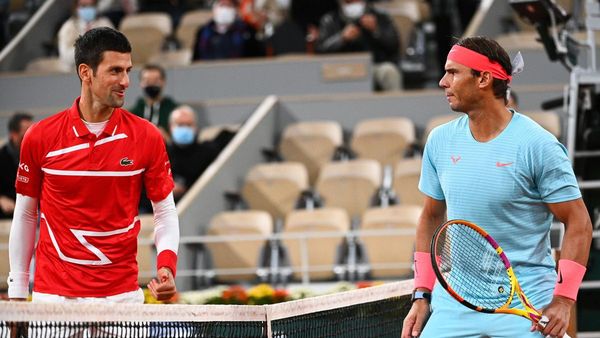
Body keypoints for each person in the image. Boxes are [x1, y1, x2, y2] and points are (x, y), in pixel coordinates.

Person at [401, 36, 592, 338]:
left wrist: (564, 299)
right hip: (457, 298)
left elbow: (578, 221)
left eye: (453, 72)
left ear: (484, 79)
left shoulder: (539, 145)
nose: (442, 81)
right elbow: (431, 217)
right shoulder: (439, 141)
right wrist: (422, 295)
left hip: (527, 297)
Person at [8, 27, 179, 305]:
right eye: (115, 71)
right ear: (85, 72)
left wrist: (167, 266)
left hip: (122, 298)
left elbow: (165, 212)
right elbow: (26, 214)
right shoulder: (40, 136)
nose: (125, 81)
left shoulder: (147, 136)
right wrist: (17, 291)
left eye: (128, 70)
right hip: (53, 299)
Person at [316, 0, 401, 91]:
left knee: (389, 72)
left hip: (374, 65)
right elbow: (320, 50)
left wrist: (376, 30)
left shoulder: (381, 16)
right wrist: (342, 38)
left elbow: (394, 45)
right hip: (341, 68)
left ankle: (398, 104)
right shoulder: (330, 19)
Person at [167, 105, 233, 202]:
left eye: (189, 125)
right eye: (180, 125)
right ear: (170, 127)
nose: (184, 129)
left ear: (196, 127)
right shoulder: (160, 154)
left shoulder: (207, 152)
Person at [192, 0, 265, 61]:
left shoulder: (247, 31)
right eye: (222, 5)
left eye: (229, 6)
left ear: (235, 9)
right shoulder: (204, 32)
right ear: (215, 8)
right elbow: (197, 59)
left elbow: (257, 57)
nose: (225, 9)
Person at [58, 0, 114, 70]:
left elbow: (114, 51)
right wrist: (85, 45)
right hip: (73, 73)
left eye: (91, 5)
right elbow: (65, 58)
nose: (87, 9)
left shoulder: (105, 24)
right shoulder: (68, 27)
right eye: (83, 6)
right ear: (76, 7)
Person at [128, 64, 178, 140]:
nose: (151, 84)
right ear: (141, 83)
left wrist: (167, 139)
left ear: (163, 82)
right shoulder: (132, 114)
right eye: (147, 81)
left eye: (155, 81)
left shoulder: (175, 112)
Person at [0, 112, 33, 219]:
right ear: (13, 134)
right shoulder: (2, 156)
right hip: (10, 213)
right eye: (26, 132)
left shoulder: (37, 155)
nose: (32, 136)